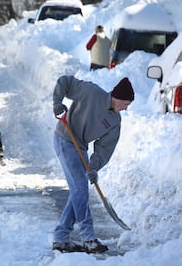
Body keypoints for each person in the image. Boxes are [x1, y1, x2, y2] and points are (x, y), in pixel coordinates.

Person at [52, 76, 135, 253]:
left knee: (78, 191)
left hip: (80, 147)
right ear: (118, 97)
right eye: (126, 103)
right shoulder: (91, 92)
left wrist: (92, 167)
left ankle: (61, 237)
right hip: (65, 138)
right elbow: (64, 82)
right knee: (80, 189)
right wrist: (57, 102)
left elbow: (104, 149)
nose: (126, 108)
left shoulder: (115, 121)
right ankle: (88, 237)